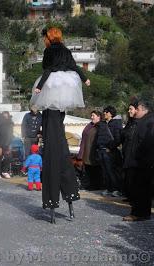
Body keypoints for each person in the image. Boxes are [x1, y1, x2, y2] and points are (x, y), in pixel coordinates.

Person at [31, 27, 90, 223]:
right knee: (58, 117)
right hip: (66, 87)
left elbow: (47, 70)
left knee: (51, 120)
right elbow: (74, 66)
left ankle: (52, 139)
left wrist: (39, 86)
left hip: (52, 87)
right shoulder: (65, 50)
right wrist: (85, 78)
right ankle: (70, 205)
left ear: (48, 37)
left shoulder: (49, 51)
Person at [123, 99, 154, 221]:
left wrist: (145, 160)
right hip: (138, 161)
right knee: (138, 188)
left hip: (142, 162)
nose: (136, 112)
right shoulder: (143, 121)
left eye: (138, 110)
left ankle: (140, 213)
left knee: (141, 189)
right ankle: (139, 212)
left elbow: (149, 143)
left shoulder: (149, 121)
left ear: (143, 109)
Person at [96, 105, 123, 197]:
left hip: (110, 151)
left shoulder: (116, 123)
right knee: (105, 171)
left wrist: (110, 148)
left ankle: (116, 189)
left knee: (112, 171)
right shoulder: (102, 124)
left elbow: (118, 138)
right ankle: (108, 188)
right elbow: (98, 137)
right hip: (101, 150)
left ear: (111, 113)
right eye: (104, 111)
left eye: (106, 112)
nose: (104, 113)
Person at [77, 111, 103, 190]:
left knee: (94, 169)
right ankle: (88, 184)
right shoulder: (90, 125)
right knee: (87, 168)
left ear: (99, 117)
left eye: (93, 115)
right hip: (87, 150)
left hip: (94, 151)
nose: (91, 117)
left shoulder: (100, 126)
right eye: (91, 115)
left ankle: (95, 185)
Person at [120, 101, 139, 201]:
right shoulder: (130, 122)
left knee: (133, 177)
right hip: (127, 153)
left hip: (135, 156)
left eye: (131, 109)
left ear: (137, 110)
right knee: (128, 176)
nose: (128, 111)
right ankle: (130, 195)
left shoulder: (140, 123)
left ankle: (134, 197)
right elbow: (124, 135)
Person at [0, 111, 14, 179]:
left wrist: (8, 144)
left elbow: (10, 135)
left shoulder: (10, 124)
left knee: (8, 157)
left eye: (6, 116)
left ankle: (4, 171)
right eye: (3, 116)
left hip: (7, 142)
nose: (5, 118)